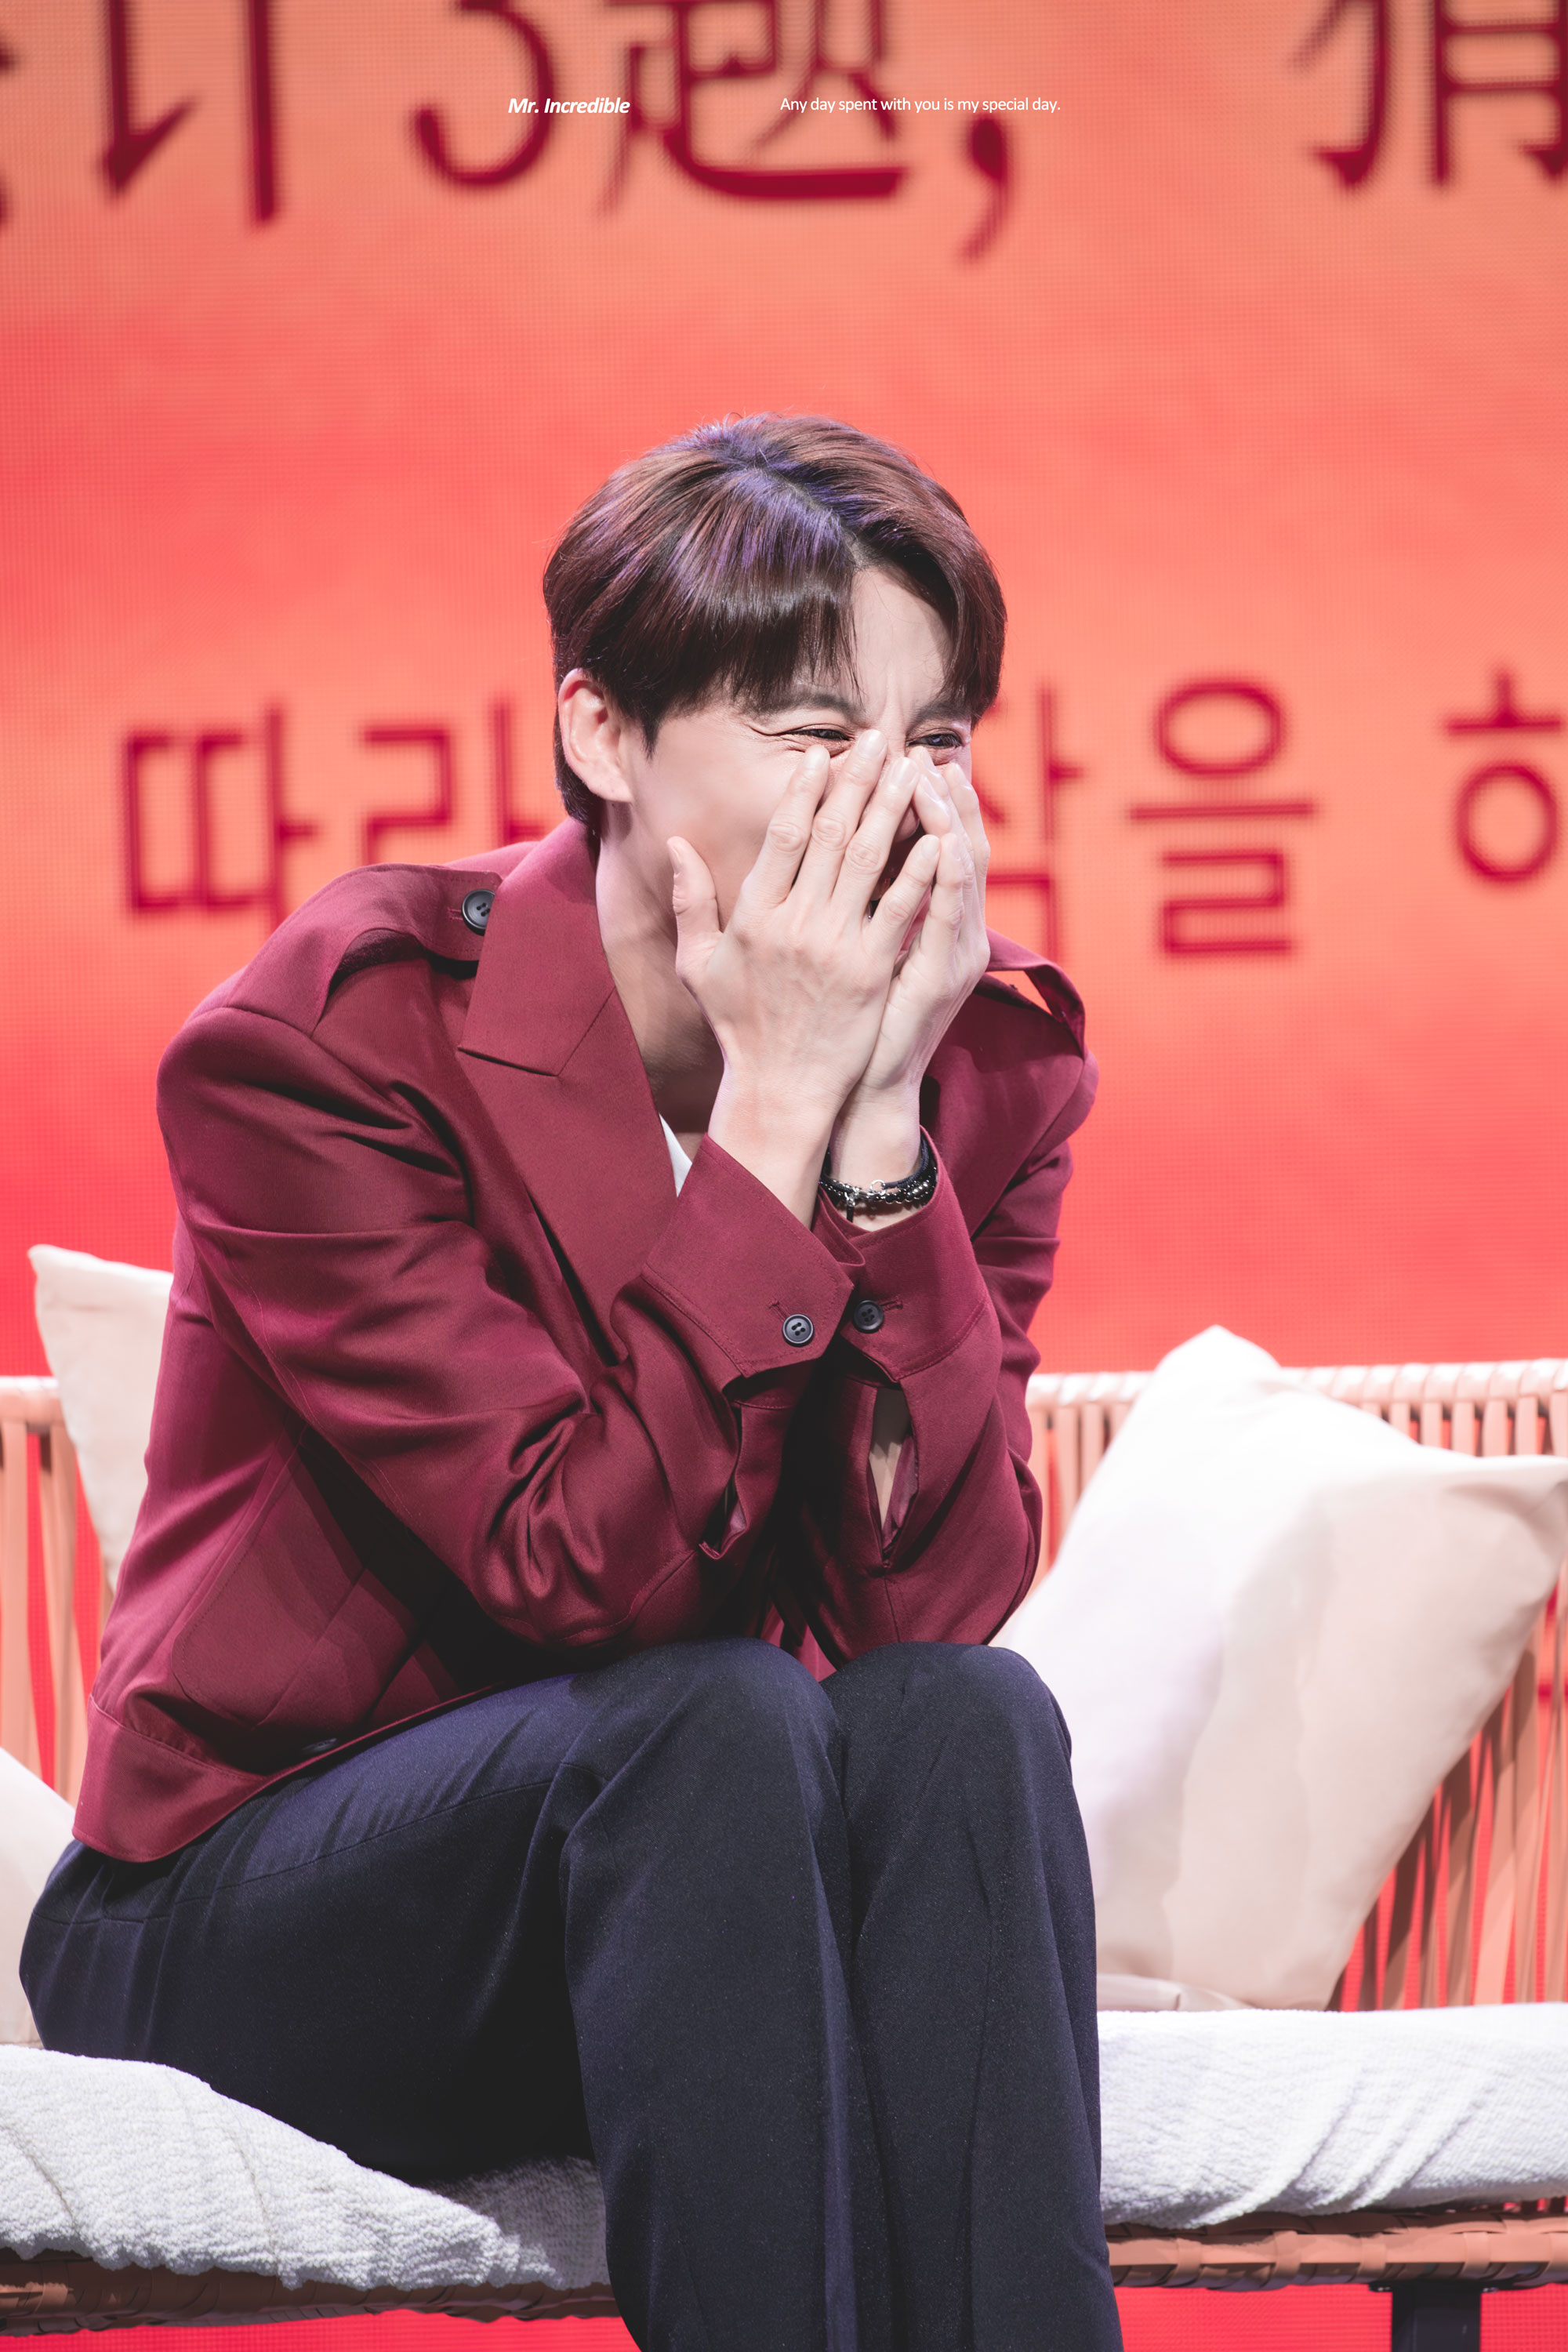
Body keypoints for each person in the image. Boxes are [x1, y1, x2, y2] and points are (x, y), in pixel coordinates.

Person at [24, 416, 1121, 2352]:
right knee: (703, 1721)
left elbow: (927, 1611)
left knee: (965, 1721)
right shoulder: (339, 1042)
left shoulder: (988, 1070)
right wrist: (775, 1108)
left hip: (693, 1891)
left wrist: (878, 1128)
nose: (893, 804)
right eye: (813, 733)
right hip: (253, 1909)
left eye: (937, 739)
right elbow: (576, 1575)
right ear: (604, 735)